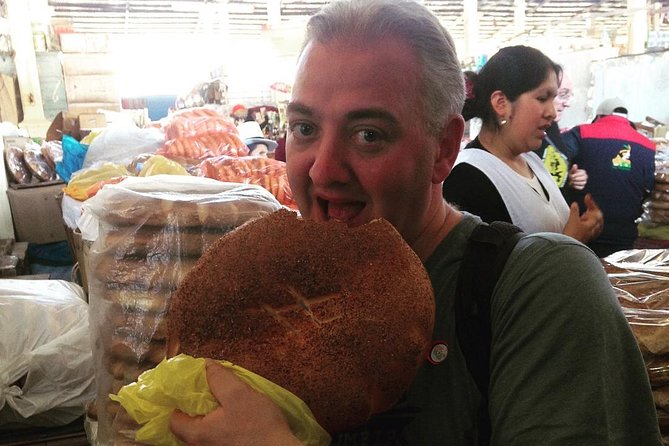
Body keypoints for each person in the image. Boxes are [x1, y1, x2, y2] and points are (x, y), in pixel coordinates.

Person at [169, 1, 661, 444]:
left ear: (444, 149)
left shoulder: (540, 288)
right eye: (305, 129)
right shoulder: (267, 306)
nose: (322, 170)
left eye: (368, 134)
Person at [442, 46, 603, 243]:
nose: (552, 112)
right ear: (501, 103)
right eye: (542, 98)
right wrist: (572, 240)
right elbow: (489, 270)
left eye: (554, 99)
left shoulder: (532, 161)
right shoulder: (468, 176)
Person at [562, 97, 656, 257]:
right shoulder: (648, 145)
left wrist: (570, 177)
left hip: (582, 230)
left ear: (598, 117)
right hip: (624, 236)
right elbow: (648, 189)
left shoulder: (580, 133)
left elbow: (555, 164)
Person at [534, 71, 588, 192]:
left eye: (569, 96)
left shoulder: (553, 128)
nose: (567, 104)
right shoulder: (524, 135)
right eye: (563, 95)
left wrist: (571, 177)